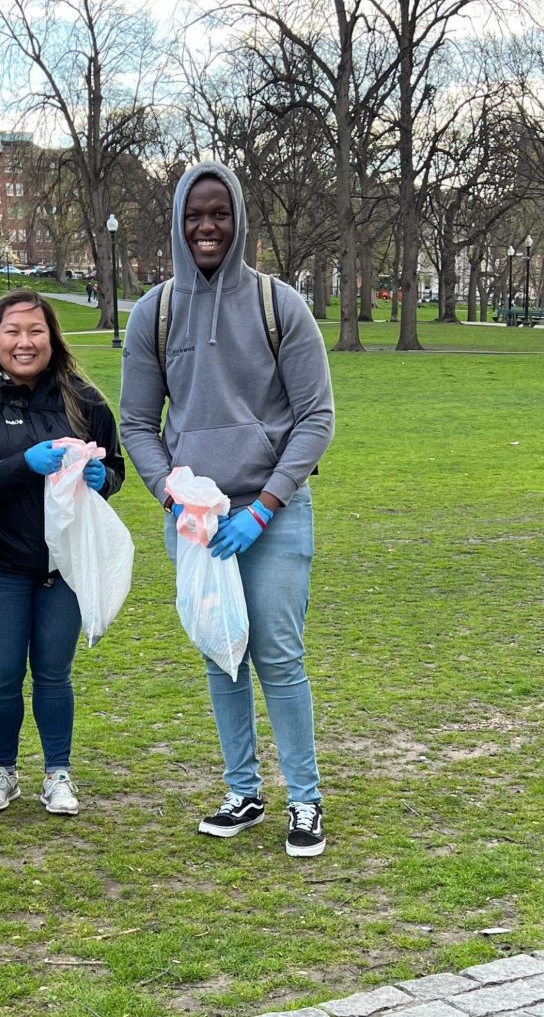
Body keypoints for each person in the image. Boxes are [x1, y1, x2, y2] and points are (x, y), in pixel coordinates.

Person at [119, 162, 335, 858]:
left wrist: (266, 507)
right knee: (222, 654)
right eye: (194, 215)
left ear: (239, 219)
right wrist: (170, 490)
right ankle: (243, 789)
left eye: (219, 214)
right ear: (179, 223)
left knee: (276, 653)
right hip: (197, 520)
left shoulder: (280, 306)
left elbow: (316, 418)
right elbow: (135, 425)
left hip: (270, 514)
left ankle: (305, 799)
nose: (207, 227)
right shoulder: (153, 312)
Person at [0, 289, 124, 816]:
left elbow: (115, 466)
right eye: (12, 332)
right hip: (0, 564)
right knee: (1, 675)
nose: (24, 343)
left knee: (53, 673)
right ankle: (2, 769)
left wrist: (103, 477)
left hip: (63, 567)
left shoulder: (83, 398)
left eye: (35, 331)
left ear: (52, 337)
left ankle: (58, 772)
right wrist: (24, 463)